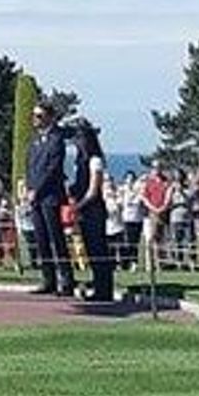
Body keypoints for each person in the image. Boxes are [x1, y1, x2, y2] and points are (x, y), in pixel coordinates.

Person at [24, 101, 75, 297]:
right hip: (36, 198)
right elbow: (29, 166)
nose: (35, 120)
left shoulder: (56, 140)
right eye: (34, 115)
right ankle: (48, 280)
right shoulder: (35, 141)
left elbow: (52, 169)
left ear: (49, 117)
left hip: (50, 197)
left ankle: (67, 280)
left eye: (39, 116)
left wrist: (37, 189)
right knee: (41, 240)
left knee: (57, 240)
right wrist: (28, 188)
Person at [73, 122, 114, 302]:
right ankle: (98, 286)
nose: (78, 142)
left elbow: (93, 191)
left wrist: (78, 205)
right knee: (91, 251)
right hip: (85, 210)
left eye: (81, 138)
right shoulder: (80, 162)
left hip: (94, 210)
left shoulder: (95, 160)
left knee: (99, 250)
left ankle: (104, 289)